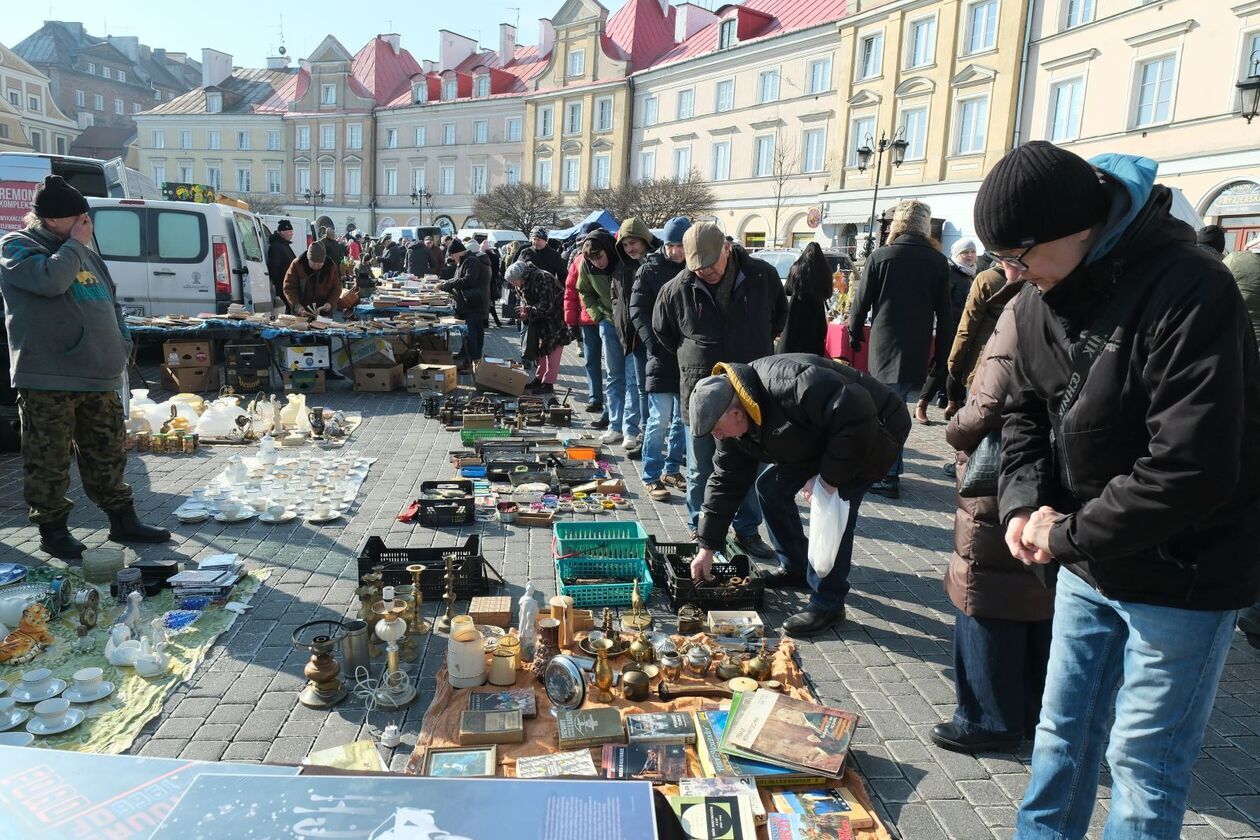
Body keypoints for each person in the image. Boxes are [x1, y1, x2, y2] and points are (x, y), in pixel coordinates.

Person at [975, 141, 1260, 838]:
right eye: (1001, 260)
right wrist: (1021, 503)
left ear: (1078, 231)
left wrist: (1066, 533)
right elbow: (1024, 412)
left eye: (1018, 257)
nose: (1012, 274)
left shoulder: (1191, 287)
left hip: (1183, 572)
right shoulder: (1042, 294)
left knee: (1143, 764)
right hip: (1086, 561)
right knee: (1059, 739)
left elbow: (1191, 465)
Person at [0, 175, 170, 559]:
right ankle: (53, 530)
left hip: (99, 375)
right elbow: (51, 281)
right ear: (52, 219)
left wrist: (122, 341)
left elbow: (110, 300)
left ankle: (123, 519)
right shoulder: (17, 247)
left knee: (107, 451)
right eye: (77, 217)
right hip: (48, 377)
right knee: (49, 458)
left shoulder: (84, 250)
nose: (85, 223)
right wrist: (76, 244)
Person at [686, 355, 909, 635]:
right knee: (770, 488)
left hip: (874, 428)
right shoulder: (733, 424)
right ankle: (796, 566)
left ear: (736, 413)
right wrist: (708, 546)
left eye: (718, 429)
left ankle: (828, 602)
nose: (719, 436)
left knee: (833, 507)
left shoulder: (790, 384)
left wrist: (828, 479)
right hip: (821, 437)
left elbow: (856, 412)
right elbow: (725, 482)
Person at [931, 308, 1053, 754]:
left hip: (1004, 469)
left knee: (983, 586)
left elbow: (988, 402)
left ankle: (986, 719)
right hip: (1051, 468)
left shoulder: (1025, 305)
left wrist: (955, 430)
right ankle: (1030, 713)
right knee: (1035, 589)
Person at [653, 222, 785, 558]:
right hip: (699, 393)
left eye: (710, 266)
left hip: (751, 393)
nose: (705, 273)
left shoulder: (762, 276)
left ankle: (746, 530)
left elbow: (780, 320)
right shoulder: (676, 288)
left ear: (727, 248)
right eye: (697, 268)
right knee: (700, 469)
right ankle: (702, 528)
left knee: (751, 469)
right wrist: (695, 359)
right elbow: (664, 334)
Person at [847, 199, 951, 500]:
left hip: (884, 347)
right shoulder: (937, 261)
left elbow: (859, 303)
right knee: (897, 410)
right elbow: (946, 315)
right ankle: (889, 470)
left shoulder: (881, 257)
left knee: (885, 412)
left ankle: (887, 474)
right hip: (917, 347)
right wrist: (941, 355)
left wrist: (855, 335)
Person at [629, 216, 690, 501]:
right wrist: (652, 343)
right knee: (659, 419)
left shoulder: (694, 269)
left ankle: (672, 468)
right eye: (671, 245)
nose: (675, 251)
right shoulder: (649, 270)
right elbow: (637, 310)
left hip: (687, 357)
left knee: (682, 419)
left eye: (680, 245)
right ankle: (651, 474)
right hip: (659, 354)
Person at [578, 230, 635, 446]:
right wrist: (598, 317)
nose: (597, 263)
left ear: (608, 251)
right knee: (614, 377)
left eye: (600, 257)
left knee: (632, 378)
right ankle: (615, 426)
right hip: (608, 324)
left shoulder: (624, 261)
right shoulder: (587, 265)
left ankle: (631, 429)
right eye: (592, 259)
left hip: (631, 327)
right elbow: (584, 291)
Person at [611, 218, 658, 459]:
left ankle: (658, 436)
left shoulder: (659, 261)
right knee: (641, 388)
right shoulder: (621, 266)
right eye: (626, 244)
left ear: (644, 240)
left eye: (634, 243)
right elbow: (616, 297)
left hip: (659, 336)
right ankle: (645, 435)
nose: (630, 248)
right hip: (634, 337)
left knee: (660, 391)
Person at [916, 238, 974, 424]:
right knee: (942, 365)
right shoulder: (951, 272)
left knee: (958, 368)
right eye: (966, 252)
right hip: (950, 327)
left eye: (972, 252)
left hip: (966, 327)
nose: (970, 256)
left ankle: (953, 405)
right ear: (957, 254)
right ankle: (921, 404)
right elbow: (942, 301)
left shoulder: (971, 274)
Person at [505, 260, 570, 393]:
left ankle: (548, 383)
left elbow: (548, 305)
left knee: (553, 352)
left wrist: (528, 310)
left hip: (555, 320)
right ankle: (539, 379)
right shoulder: (522, 283)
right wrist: (524, 313)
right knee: (540, 352)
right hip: (539, 320)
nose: (514, 285)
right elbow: (526, 301)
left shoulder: (542, 277)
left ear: (520, 277)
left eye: (514, 282)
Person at [563, 234, 606, 424]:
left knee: (615, 368)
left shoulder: (611, 258)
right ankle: (595, 397)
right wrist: (571, 321)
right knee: (591, 360)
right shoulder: (579, 260)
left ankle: (610, 403)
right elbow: (570, 292)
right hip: (587, 320)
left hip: (610, 319)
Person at [776, 242, 832, 357]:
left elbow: (787, 290)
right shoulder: (825, 269)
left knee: (791, 348)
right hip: (816, 312)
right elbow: (828, 293)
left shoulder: (796, 267)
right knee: (813, 349)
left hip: (796, 311)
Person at [441, 238, 487, 369]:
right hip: (467, 304)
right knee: (470, 335)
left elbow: (468, 280)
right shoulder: (464, 261)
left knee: (473, 335)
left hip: (472, 305)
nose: (451, 258)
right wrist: (447, 283)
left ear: (457, 253)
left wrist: (448, 284)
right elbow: (458, 279)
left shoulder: (470, 261)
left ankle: (474, 363)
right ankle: (470, 360)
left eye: (452, 255)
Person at [283, 240, 342, 317]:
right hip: (302, 310)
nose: (316, 267)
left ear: (324, 261)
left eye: (319, 265)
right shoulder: (297, 264)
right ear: (308, 259)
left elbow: (337, 287)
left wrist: (330, 303)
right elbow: (289, 287)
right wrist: (296, 306)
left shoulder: (330, 266)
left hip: (323, 311)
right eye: (313, 264)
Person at [265, 219, 296, 305]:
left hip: (289, 283)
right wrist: (279, 284)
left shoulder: (283, 245)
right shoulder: (276, 246)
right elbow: (274, 267)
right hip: (283, 284)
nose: (292, 233)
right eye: (290, 231)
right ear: (282, 232)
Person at [480, 240, 503, 328]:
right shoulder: (495, 256)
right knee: (490, 302)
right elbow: (497, 270)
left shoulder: (482, 257)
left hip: (485, 282)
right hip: (492, 281)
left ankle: (488, 322)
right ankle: (496, 321)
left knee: (488, 303)